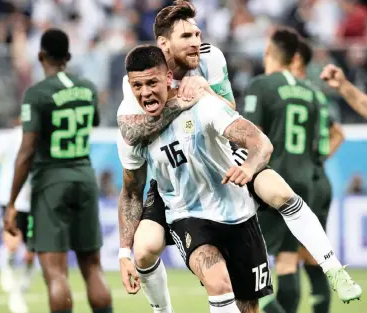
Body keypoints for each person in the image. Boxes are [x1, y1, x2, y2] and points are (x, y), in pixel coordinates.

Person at [116, 2, 360, 312]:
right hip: (175, 175)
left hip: (220, 153)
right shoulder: (140, 76)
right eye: (186, 36)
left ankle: (334, 268)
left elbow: (229, 111)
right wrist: (179, 101)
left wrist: (204, 94)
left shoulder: (210, 58)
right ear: (164, 44)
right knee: (146, 247)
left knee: (278, 191)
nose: (195, 42)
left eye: (197, 33)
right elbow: (131, 129)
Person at [118, 44, 274, 313]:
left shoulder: (204, 106)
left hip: (238, 214)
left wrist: (249, 168)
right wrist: (123, 253)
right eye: (137, 86)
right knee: (218, 282)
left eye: (152, 83)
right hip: (187, 215)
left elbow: (260, 142)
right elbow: (132, 192)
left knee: (248, 307)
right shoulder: (135, 132)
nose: (145, 93)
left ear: (168, 78)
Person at [243, 27, 362, 313]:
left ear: (268, 53)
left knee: (279, 261)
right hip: (308, 176)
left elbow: (252, 137)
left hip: (274, 180)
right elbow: (329, 135)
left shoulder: (261, 85)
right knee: (306, 253)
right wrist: (316, 160)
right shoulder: (312, 93)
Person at [3, 28, 112, 313]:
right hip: (85, 177)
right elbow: (93, 122)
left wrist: (12, 202)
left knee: (55, 272)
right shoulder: (87, 88)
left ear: (41, 56)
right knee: (92, 267)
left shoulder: (36, 94)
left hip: (51, 182)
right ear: (68, 56)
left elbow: (26, 151)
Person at [291, 37, 345, 313]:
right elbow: (339, 133)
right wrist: (320, 159)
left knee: (295, 253)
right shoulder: (318, 96)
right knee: (308, 251)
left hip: (301, 177)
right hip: (317, 175)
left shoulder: (292, 93)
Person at [0, 115, 35, 313]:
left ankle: (26, 274)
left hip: (34, 201)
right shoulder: (8, 139)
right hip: (9, 199)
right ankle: (10, 277)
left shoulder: (43, 139)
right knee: (12, 242)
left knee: (31, 252)